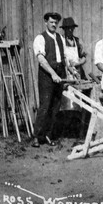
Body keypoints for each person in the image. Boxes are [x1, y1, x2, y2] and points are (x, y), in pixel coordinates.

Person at [31, 12, 67, 148]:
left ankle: (48, 135)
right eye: (51, 22)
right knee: (45, 106)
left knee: (55, 107)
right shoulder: (40, 38)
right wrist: (52, 74)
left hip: (59, 74)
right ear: (46, 22)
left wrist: (69, 71)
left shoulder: (60, 38)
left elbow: (65, 58)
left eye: (56, 22)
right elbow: (41, 60)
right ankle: (36, 136)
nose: (54, 25)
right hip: (47, 75)